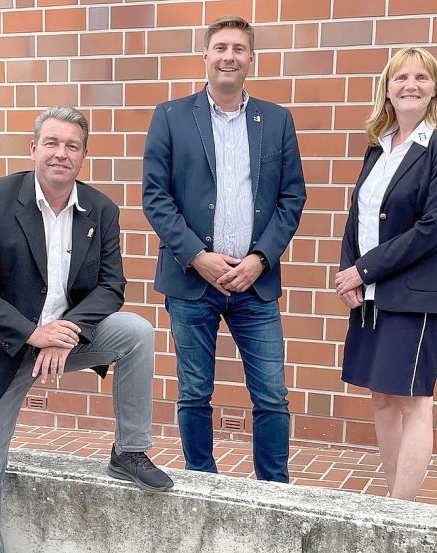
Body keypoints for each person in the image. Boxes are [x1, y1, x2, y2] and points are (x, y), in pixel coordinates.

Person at [0, 106, 173, 553]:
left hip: (61, 341)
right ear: (33, 149)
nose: (60, 153)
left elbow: (113, 287)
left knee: (136, 332)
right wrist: (33, 334)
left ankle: (128, 450)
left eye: (72, 146)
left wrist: (66, 328)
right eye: (51, 143)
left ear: (84, 156)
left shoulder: (101, 210)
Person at [142, 15, 306, 483]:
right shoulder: (171, 116)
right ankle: (201, 482)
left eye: (238, 48)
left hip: (255, 284)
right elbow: (155, 196)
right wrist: (198, 256)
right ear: (206, 56)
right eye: (220, 47)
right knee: (194, 390)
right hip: (192, 281)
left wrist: (259, 260)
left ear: (251, 58)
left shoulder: (276, 120)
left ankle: (275, 490)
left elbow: (292, 197)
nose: (228, 56)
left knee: (272, 394)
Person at [334, 47, 437, 501]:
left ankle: (399, 511)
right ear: (387, 89)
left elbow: (434, 227)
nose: (410, 85)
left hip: (416, 295)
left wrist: (363, 270)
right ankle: (393, 499)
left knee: (413, 401)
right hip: (373, 294)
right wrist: (347, 270)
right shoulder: (379, 146)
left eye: (421, 78)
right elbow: (360, 216)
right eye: (401, 77)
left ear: (435, 88)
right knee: (383, 397)